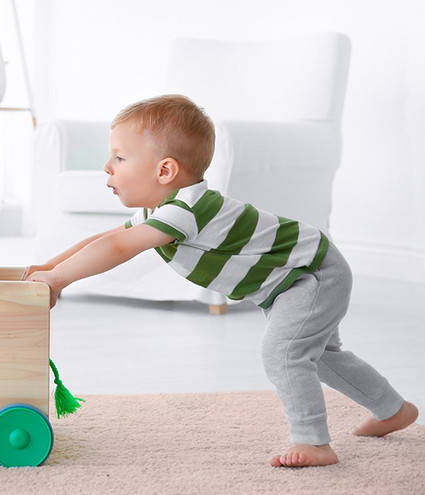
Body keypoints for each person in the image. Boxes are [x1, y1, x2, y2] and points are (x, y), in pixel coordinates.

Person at [23, 94, 419, 467]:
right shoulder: (160, 209)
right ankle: (394, 410)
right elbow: (104, 239)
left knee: (284, 354)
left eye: (119, 157)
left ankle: (313, 441)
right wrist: (50, 267)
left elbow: (120, 247)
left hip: (313, 272)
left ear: (165, 170)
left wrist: (58, 279)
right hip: (296, 278)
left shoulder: (187, 210)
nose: (107, 167)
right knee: (324, 358)